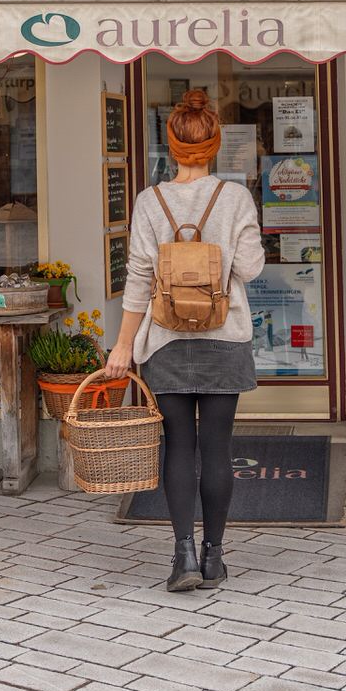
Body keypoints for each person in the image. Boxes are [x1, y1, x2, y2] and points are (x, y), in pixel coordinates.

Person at [105, 90, 265, 593]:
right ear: (214, 145)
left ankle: (183, 557)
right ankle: (216, 558)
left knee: (178, 446)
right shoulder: (236, 198)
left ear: (171, 146)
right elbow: (250, 269)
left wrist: (123, 344)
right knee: (217, 449)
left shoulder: (149, 201)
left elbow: (137, 278)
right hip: (225, 337)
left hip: (166, 341)